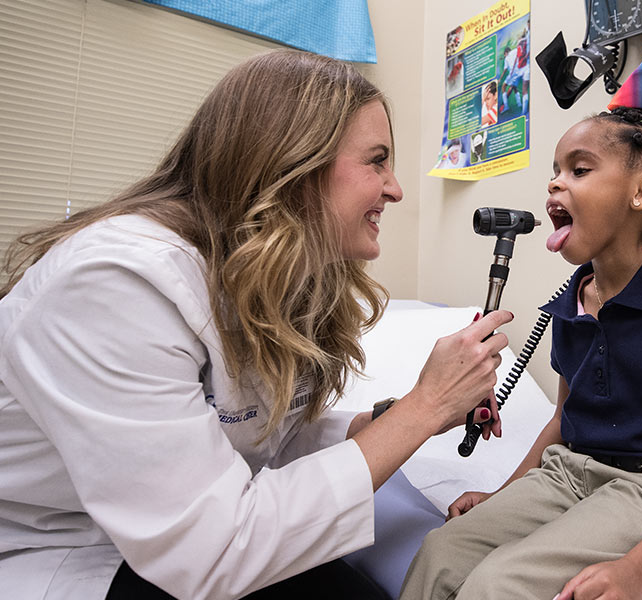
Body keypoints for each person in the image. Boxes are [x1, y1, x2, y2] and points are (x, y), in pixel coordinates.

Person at [0, 50, 512, 600]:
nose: (395, 189)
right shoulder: (118, 284)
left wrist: (408, 415)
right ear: (295, 165)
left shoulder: (270, 278)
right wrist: (424, 407)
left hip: (170, 537)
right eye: (377, 161)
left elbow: (261, 437)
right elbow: (212, 552)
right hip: (61, 546)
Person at [400, 72, 642, 600]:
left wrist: (639, 570)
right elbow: (564, 420)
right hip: (567, 474)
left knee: (498, 583)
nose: (555, 184)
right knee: (438, 552)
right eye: (555, 172)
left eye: (578, 170)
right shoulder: (569, 303)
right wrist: (503, 495)